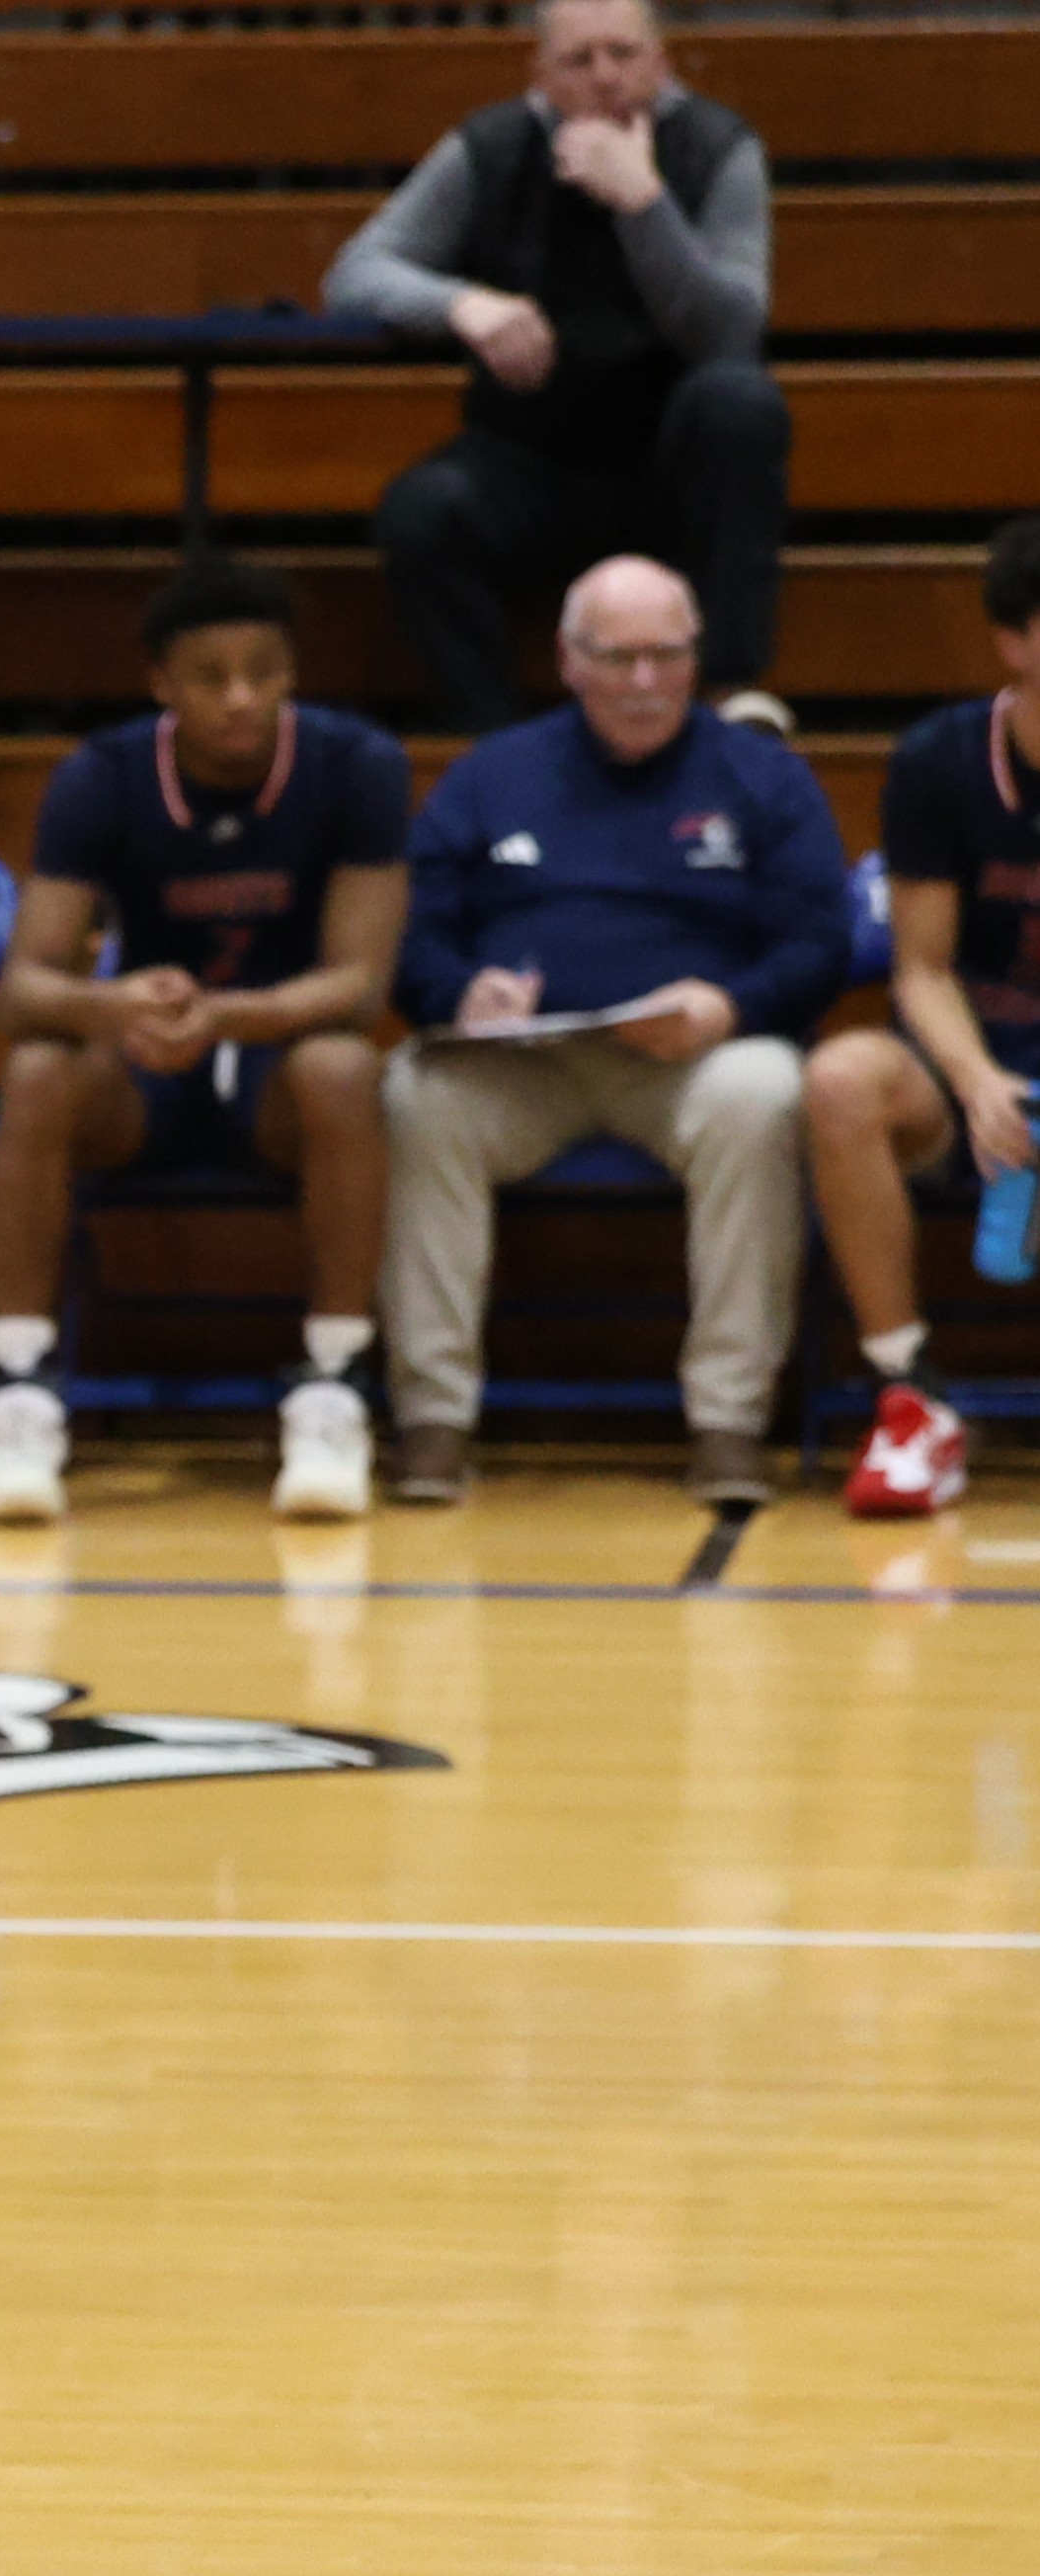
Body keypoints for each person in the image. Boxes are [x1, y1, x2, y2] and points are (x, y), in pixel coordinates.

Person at [376, 553, 842, 1505]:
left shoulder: (762, 776)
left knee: (763, 1093)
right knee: (416, 1092)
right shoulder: (489, 775)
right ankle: (431, 1417)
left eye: (666, 656)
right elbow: (411, 941)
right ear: (567, 660)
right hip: (525, 1063)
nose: (643, 682)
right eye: (617, 657)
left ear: (696, 658)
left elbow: (818, 944)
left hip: (689, 1060)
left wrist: (730, 1006)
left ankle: (727, 1421)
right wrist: (461, 995)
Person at [0, 555, 413, 1526]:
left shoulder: (356, 766)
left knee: (342, 1067)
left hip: (275, 1064)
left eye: (263, 671)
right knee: (37, 1070)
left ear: (292, 674)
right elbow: (22, 989)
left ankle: (333, 1381)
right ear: (161, 686)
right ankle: (18, 1387)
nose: (240, 697)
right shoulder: (102, 775)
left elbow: (357, 987)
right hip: (146, 1066)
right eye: (211, 677)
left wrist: (225, 1015)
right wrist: (113, 1004)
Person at [330, 0, 781, 736]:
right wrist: (461, 304)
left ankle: (727, 696)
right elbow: (356, 272)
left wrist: (643, 203)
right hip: (532, 459)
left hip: (672, 470)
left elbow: (732, 330)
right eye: (579, 60)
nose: (604, 77)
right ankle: (492, 740)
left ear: (661, 64)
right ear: (539, 77)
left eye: (623, 54)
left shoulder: (717, 147)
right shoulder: (492, 146)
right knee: (421, 511)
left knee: (740, 404)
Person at [794, 513, 1040, 1519]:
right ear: (1012, 641)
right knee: (839, 1079)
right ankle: (911, 1396)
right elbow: (921, 969)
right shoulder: (940, 760)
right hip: (968, 1062)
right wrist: (979, 1082)